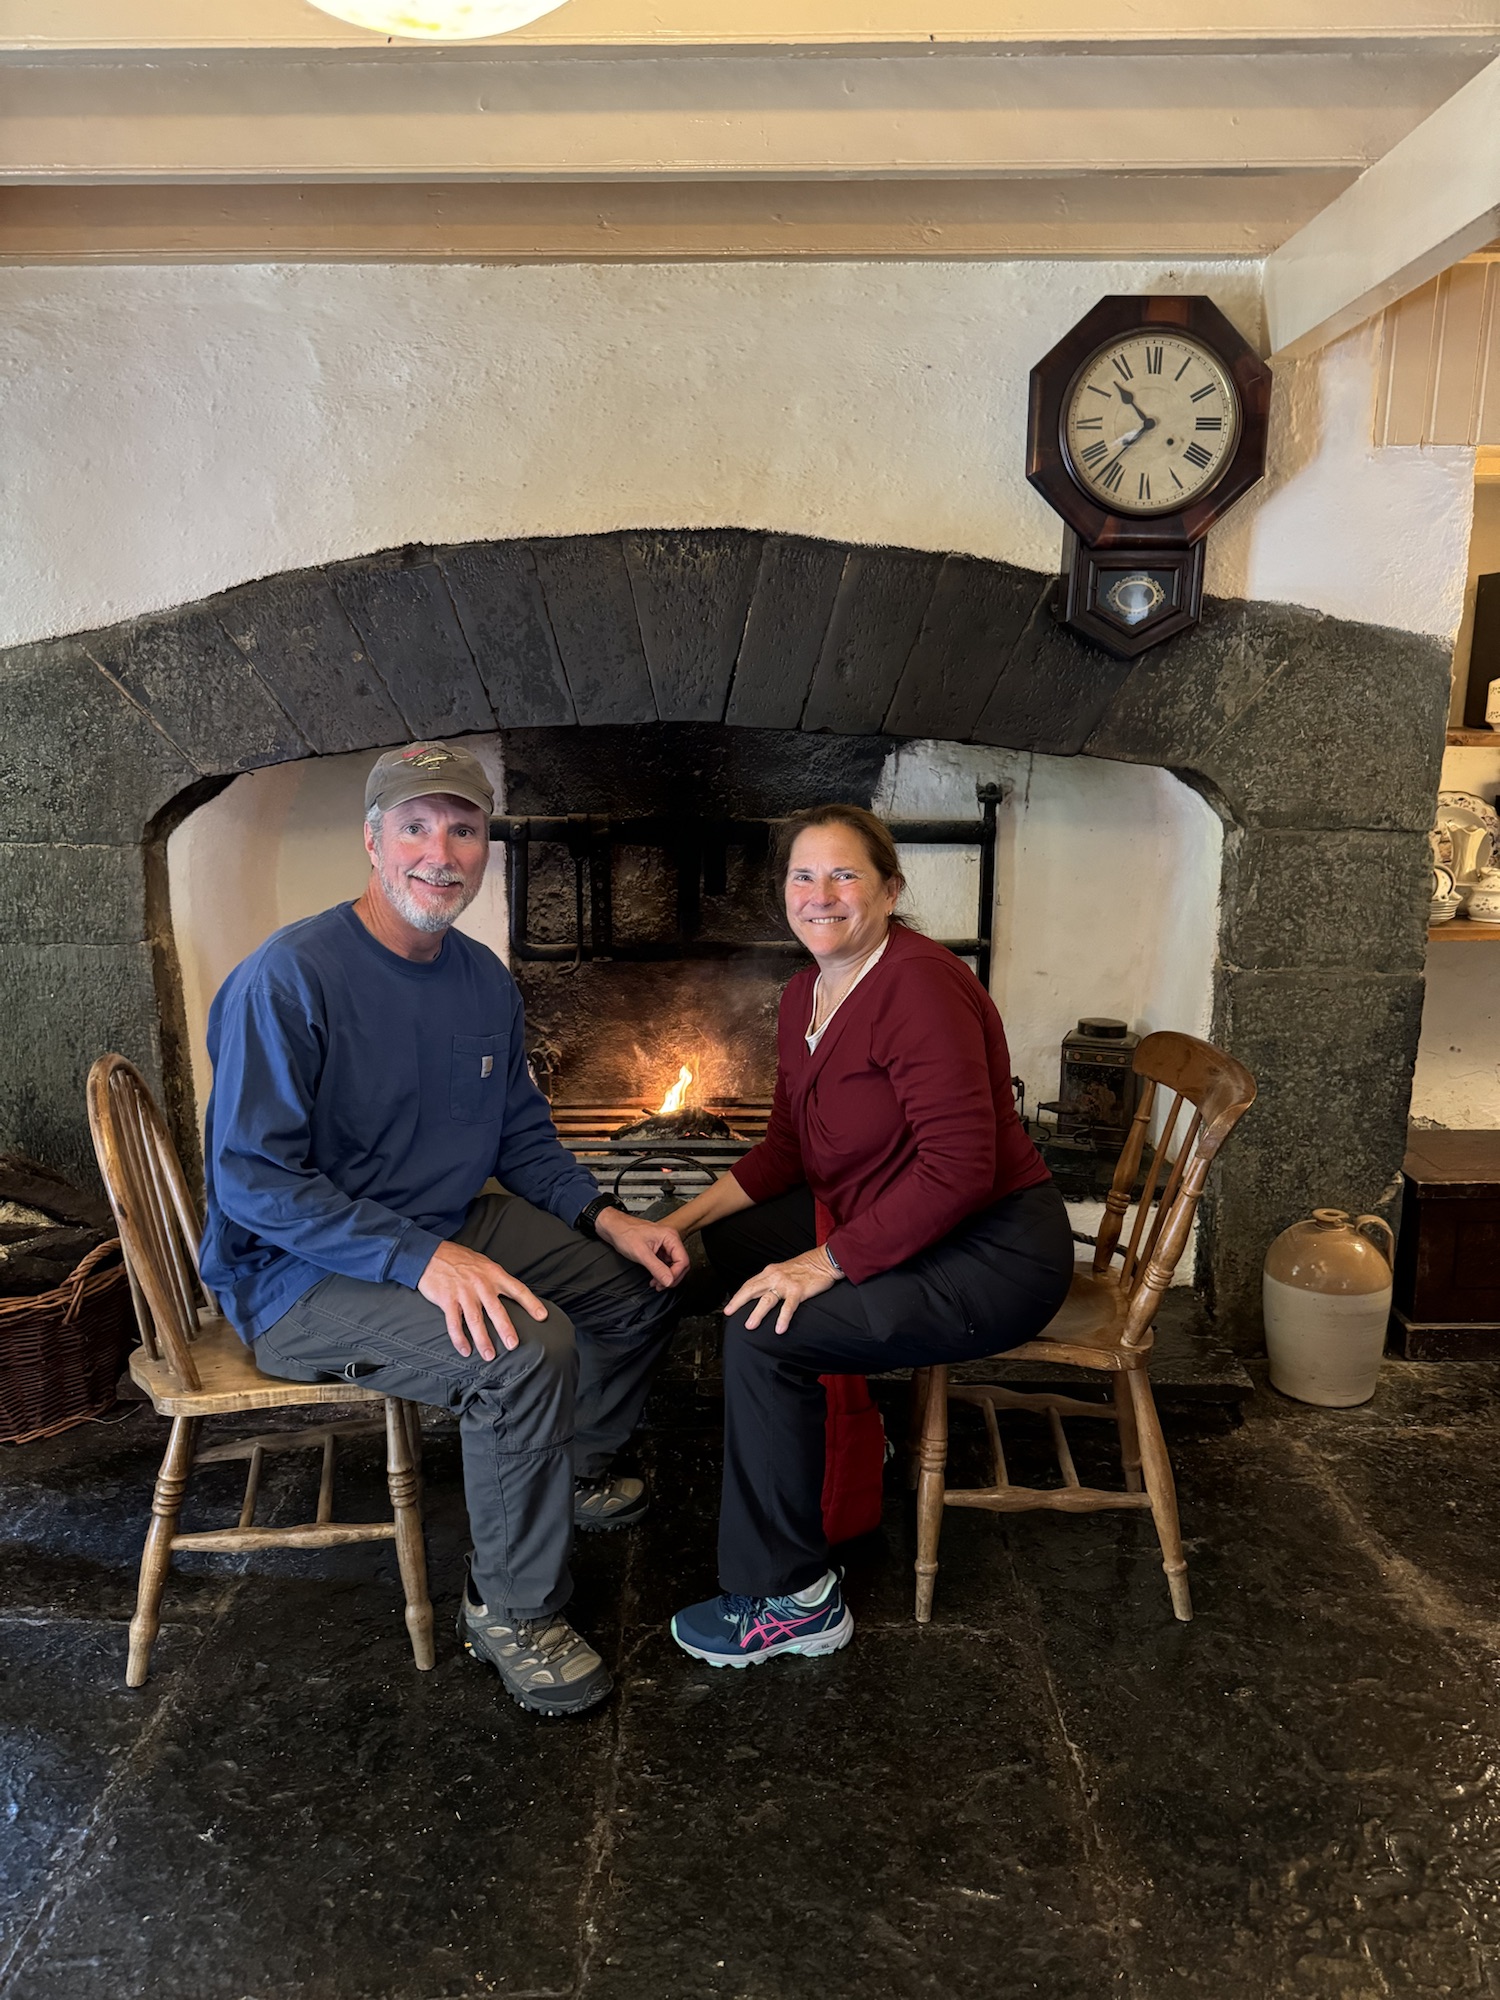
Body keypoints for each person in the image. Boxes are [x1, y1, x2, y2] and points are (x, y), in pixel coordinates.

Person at [199, 740, 689, 1718]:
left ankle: (564, 1470)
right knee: (524, 1352)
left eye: (463, 829)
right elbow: (253, 1180)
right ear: (373, 841)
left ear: (485, 849)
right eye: (416, 826)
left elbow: (521, 1134)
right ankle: (510, 1608)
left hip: (444, 1221)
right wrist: (419, 1258)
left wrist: (605, 1216)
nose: (441, 851)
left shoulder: (482, 980)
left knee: (643, 1282)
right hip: (298, 1274)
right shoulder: (289, 978)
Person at [662, 804, 1074, 1669]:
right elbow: (786, 1152)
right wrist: (676, 1223)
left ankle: (793, 1599)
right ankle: (834, 1439)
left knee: (764, 1330)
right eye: (803, 876)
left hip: (988, 1251)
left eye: (844, 874)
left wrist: (822, 1264)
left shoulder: (919, 986)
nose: (821, 895)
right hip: (891, 1217)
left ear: (890, 890)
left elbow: (961, 1169)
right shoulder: (806, 994)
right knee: (730, 1252)